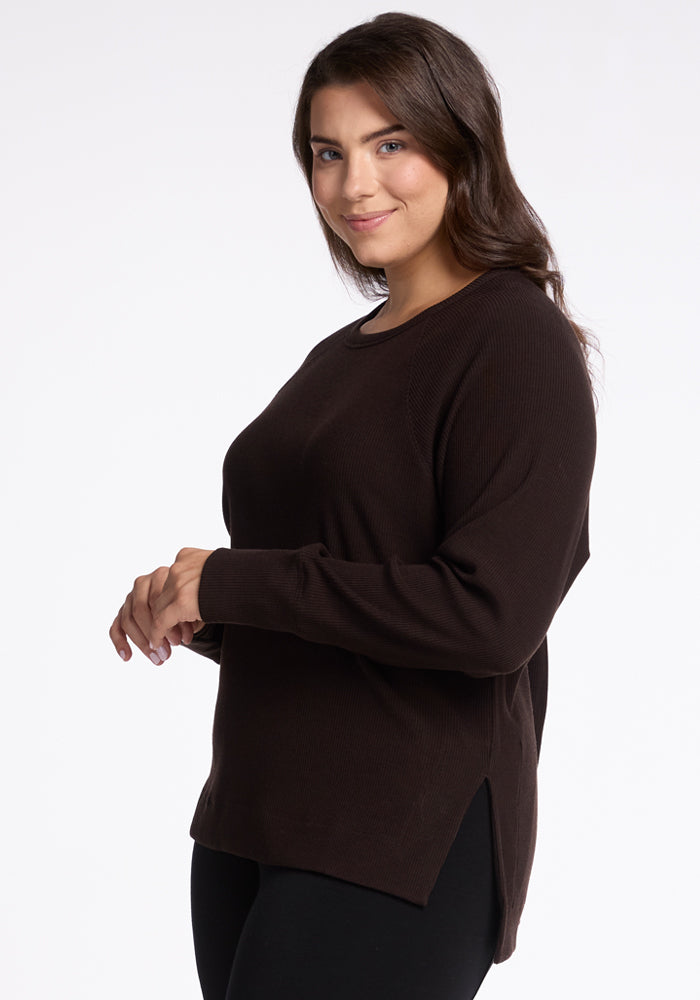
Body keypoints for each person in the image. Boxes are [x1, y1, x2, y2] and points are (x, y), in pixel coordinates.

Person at [109, 12, 597, 999]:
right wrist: (204, 607)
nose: (353, 184)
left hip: (400, 829)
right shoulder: (342, 355)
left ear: (461, 145)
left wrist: (238, 580)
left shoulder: (513, 340)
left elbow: (487, 614)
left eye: (390, 144)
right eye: (326, 153)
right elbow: (343, 591)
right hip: (256, 809)